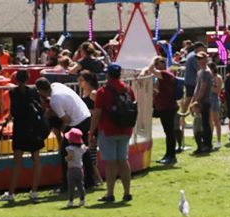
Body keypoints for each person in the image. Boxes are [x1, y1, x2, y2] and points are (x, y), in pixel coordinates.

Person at [35, 77, 95, 193]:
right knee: (84, 150)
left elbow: (66, 120)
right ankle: (90, 181)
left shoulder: (55, 101)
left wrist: (64, 133)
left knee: (65, 152)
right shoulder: (57, 85)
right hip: (85, 115)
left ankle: (66, 185)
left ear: (40, 91)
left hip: (76, 121)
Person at [0, 69, 47, 202]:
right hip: (32, 128)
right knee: (36, 159)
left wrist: (6, 120)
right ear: (28, 78)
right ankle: (34, 191)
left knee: (17, 161)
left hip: (20, 128)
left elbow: (13, 111)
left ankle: (11, 192)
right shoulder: (33, 91)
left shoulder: (13, 92)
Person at [91, 63, 136, 203]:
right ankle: (127, 192)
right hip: (126, 128)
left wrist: (91, 131)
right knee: (123, 160)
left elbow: (97, 114)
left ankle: (110, 193)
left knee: (110, 162)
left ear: (108, 75)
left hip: (109, 130)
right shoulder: (128, 89)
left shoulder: (102, 91)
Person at [141, 56, 179, 164]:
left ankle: (171, 156)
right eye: (157, 63)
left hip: (168, 107)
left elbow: (151, 69)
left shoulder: (165, 74)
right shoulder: (162, 77)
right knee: (168, 132)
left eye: (160, 63)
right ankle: (169, 155)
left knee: (169, 132)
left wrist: (153, 59)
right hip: (164, 107)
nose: (157, 65)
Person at [190, 52, 215, 154]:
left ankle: (207, 144)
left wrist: (197, 100)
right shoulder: (200, 72)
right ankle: (202, 144)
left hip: (204, 101)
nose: (199, 60)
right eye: (198, 59)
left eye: (201, 58)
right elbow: (197, 87)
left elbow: (203, 88)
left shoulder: (206, 72)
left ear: (206, 59)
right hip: (199, 100)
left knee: (205, 124)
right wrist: (193, 99)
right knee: (200, 124)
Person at [63, 128, 87, 208]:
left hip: (72, 169)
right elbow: (87, 148)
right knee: (80, 185)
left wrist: (66, 158)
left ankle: (71, 201)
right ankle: (82, 200)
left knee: (71, 186)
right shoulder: (82, 148)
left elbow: (70, 157)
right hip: (80, 169)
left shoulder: (70, 148)